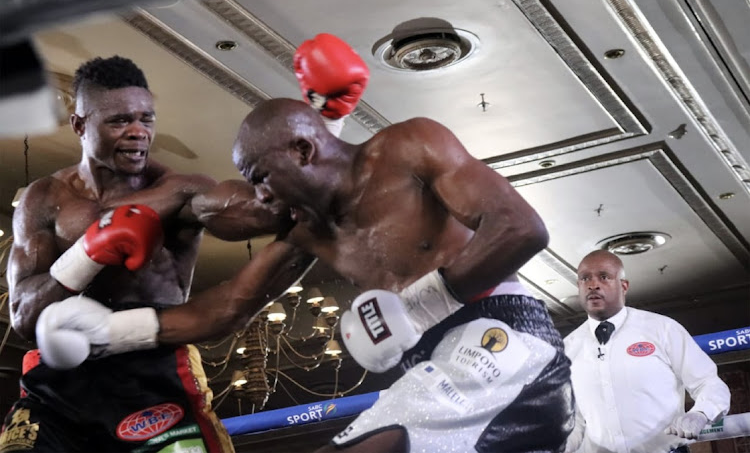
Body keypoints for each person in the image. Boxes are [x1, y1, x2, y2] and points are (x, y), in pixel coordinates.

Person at [39, 91, 576, 451]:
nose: (261, 196)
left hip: (502, 337)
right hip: (432, 363)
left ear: (302, 148)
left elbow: (521, 228)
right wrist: (109, 334)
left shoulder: (409, 146)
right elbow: (224, 309)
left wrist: (421, 304)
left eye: (261, 176)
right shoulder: (306, 229)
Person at [0, 55, 327, 453]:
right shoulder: (44, 198)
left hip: (151, 377)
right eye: (120, 120)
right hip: (56, 387)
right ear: (80, 125)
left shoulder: (180, 191)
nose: (138, 132)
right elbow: (24, 316)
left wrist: (320, 165)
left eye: (146, 119)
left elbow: (263, 211)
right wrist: (88, 253)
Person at [563, 250, 731, 453]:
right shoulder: (567, 348)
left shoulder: (662, 329)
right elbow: (575, 420)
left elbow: (709, 383)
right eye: (585, 278)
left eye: (604, 277)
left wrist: (701, 414)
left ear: (623, 286)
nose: (593, 284)